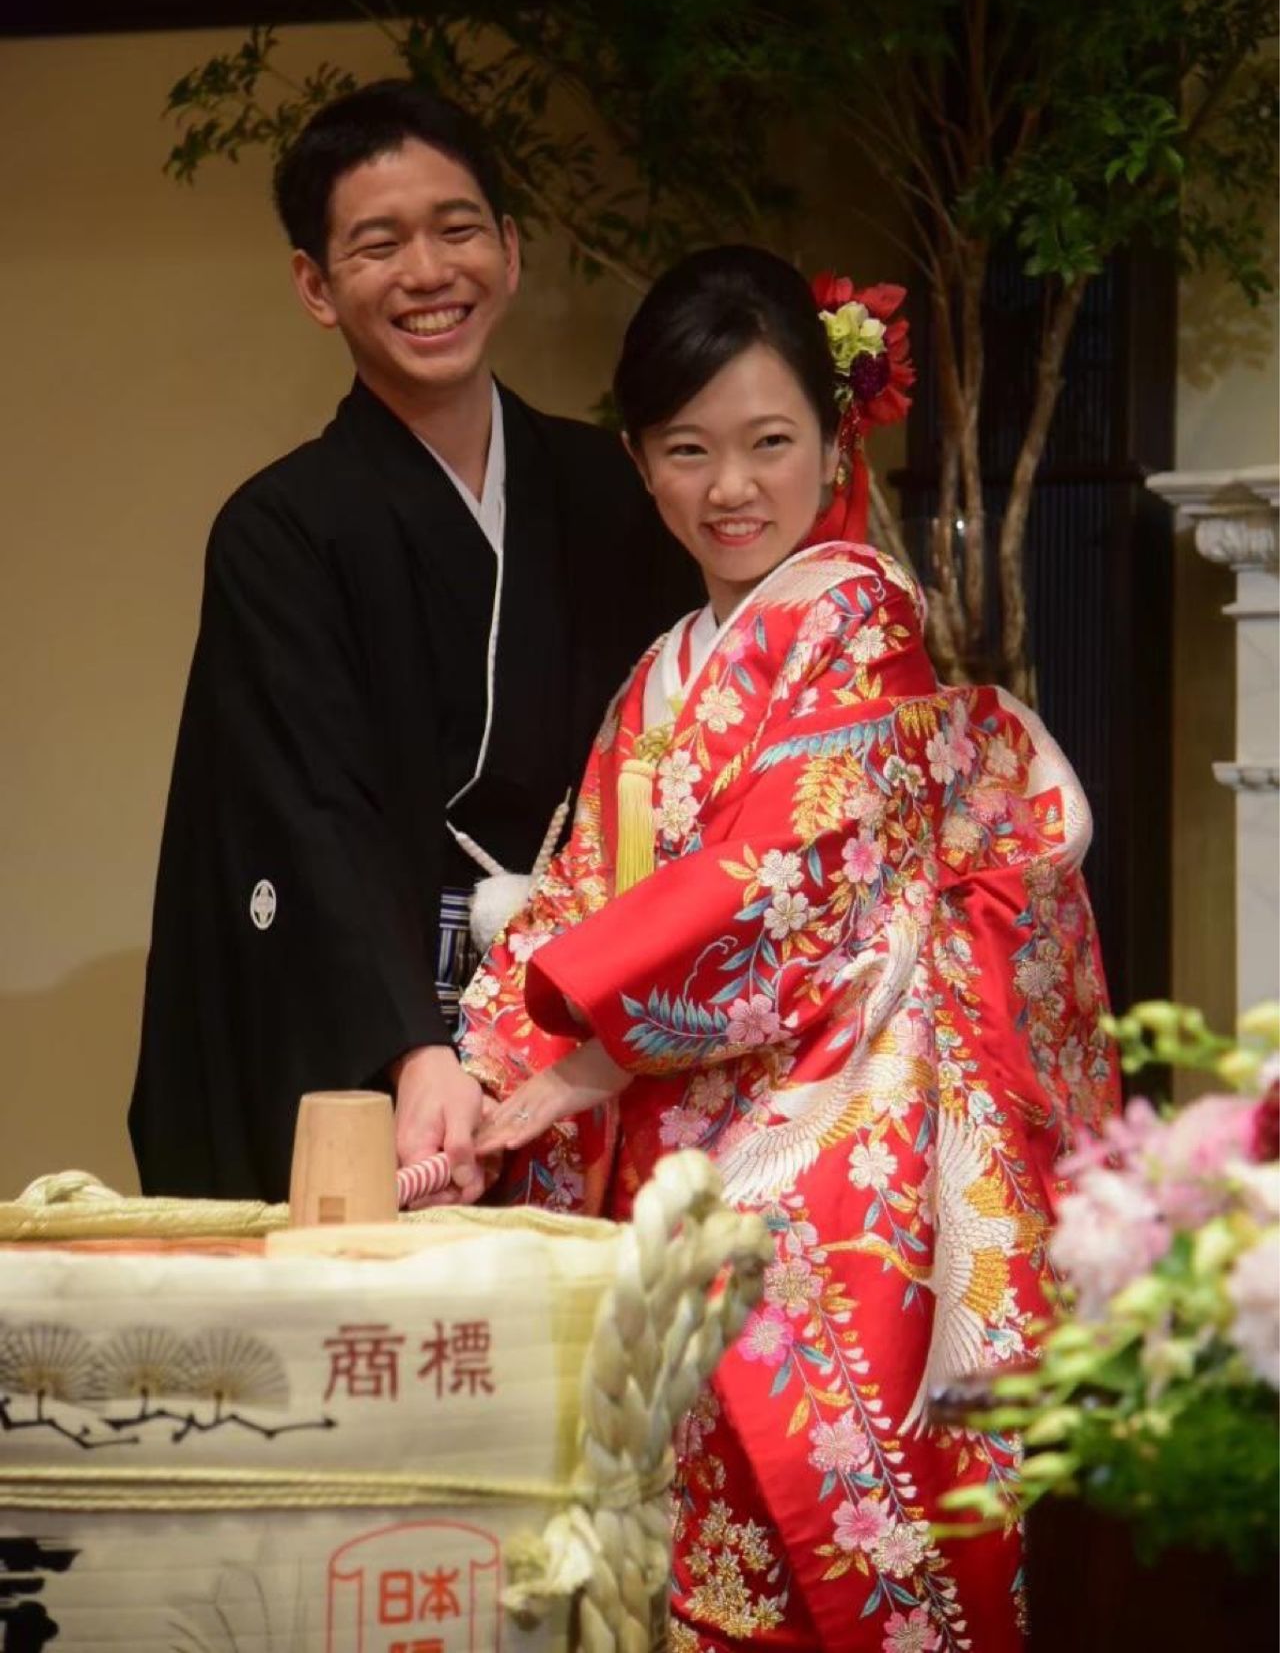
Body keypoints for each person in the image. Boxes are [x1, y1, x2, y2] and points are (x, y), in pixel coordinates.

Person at [458, 246, 1118, 1650]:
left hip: (833, 1121)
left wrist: (589, 1054)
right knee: (677, 1543)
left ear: (833, 441)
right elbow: (576, 893)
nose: (731, 486)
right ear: (639, 462)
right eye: (687, 449)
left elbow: (788, 873)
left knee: (818, 1503)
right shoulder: (662, 670)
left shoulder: (858, 614)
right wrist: (486, 1071)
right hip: (673, 1139)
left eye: (768, 442)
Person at [128, 81, 695, 1204]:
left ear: (510, 251)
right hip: (402, 1037)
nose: (429, 273)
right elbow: (307, 815)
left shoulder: (609, 489)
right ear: (315, 285)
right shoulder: (281, 530)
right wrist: (408, 1045)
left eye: (456, 229)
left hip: (593, 1023)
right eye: (379, 244)